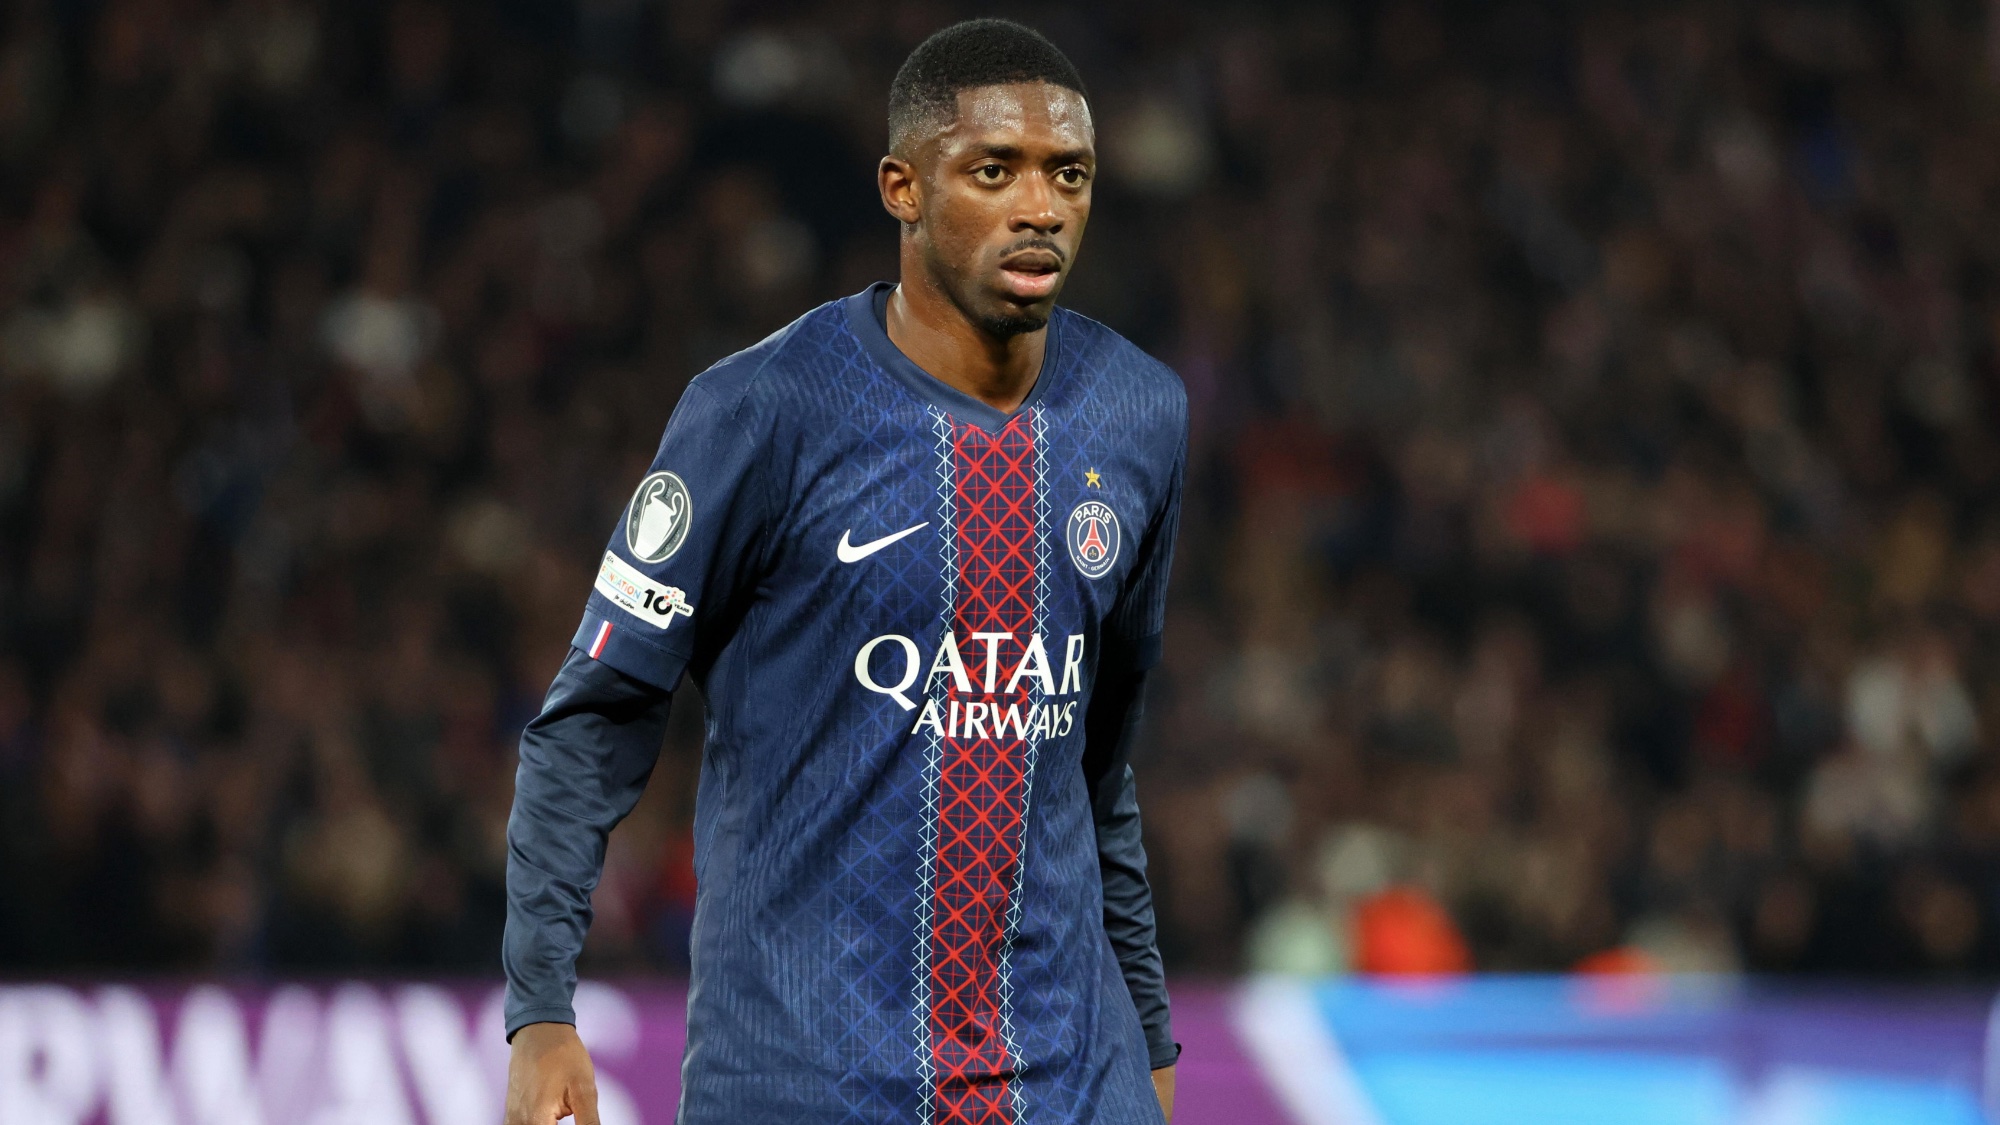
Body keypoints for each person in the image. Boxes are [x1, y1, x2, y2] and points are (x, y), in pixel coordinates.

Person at [502, 18, 1186, 1124]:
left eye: (1068, 174)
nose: (1039, 208)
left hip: (1070, 1078)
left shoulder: (1138, 412)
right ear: (901, 188)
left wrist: (1148, 1031)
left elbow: (1097, 762)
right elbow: (593, 718)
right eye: (991, 171)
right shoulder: (762, 412)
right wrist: (540, 1007)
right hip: (809, 1076)